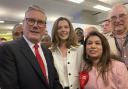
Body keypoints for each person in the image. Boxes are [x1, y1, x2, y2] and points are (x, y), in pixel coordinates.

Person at [0, 5, 62, 89]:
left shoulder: (47, 52)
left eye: (40, 22)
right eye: (31, 20)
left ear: (44, 27)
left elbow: (55, 82)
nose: (35, 25)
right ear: (24, 23)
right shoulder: (7, 49)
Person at [50, 17, 83, 89]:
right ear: (55, 31)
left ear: (70, 30)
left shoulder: (80, 49)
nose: (63, 30)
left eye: (66, 27)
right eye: (59, 28)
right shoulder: (50, 52)